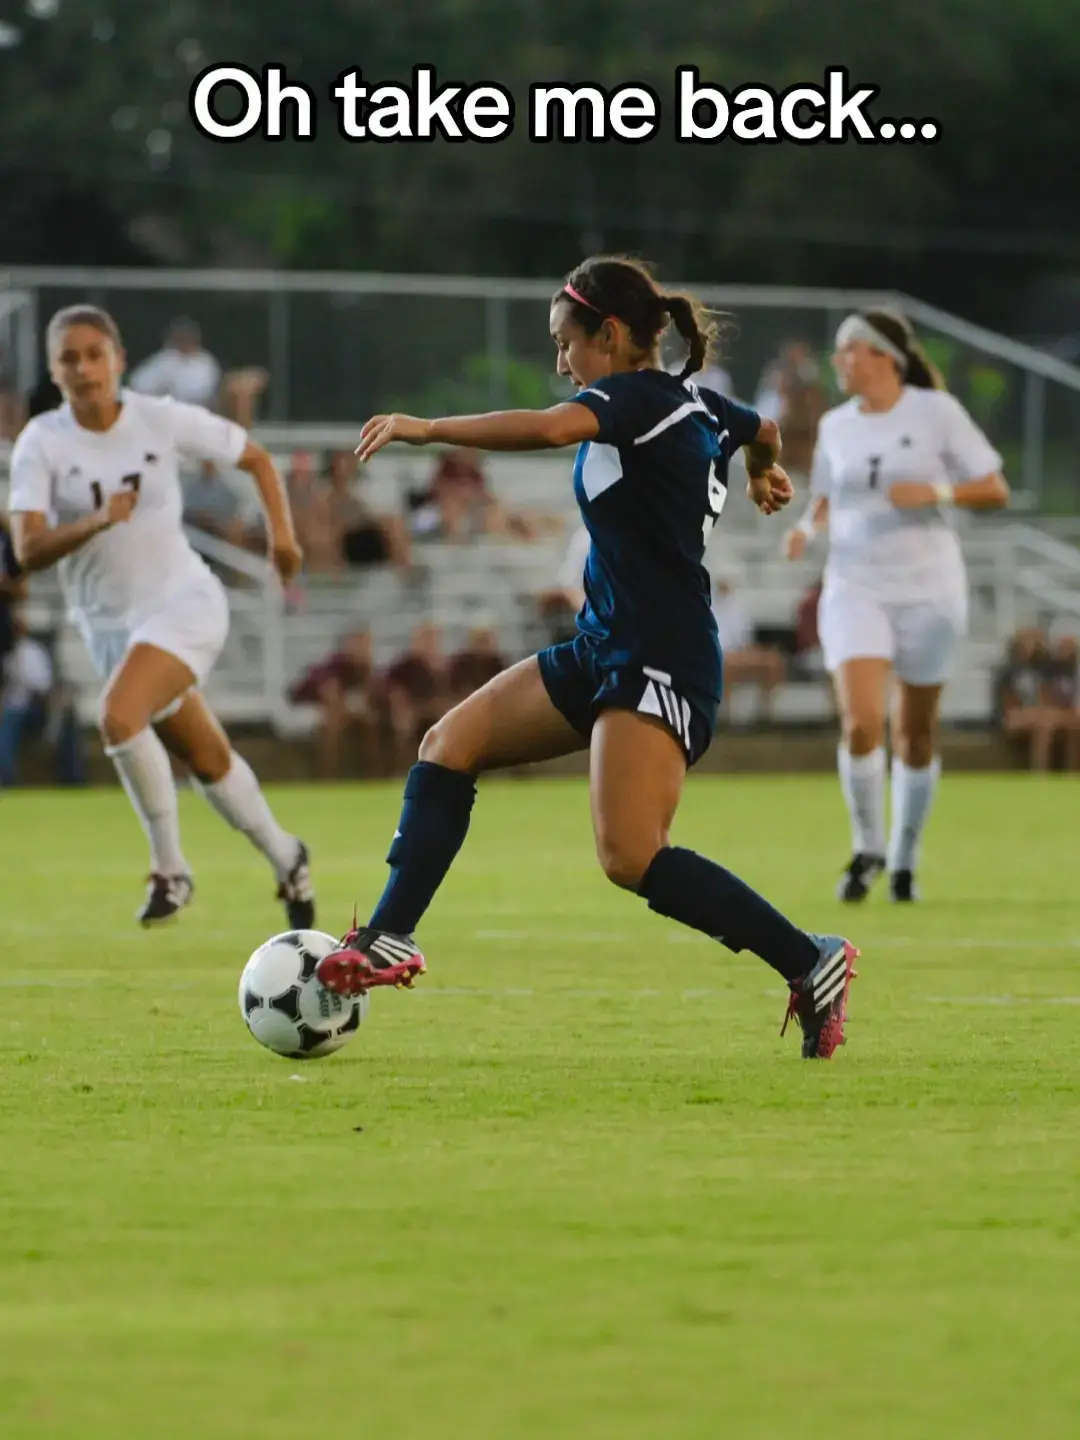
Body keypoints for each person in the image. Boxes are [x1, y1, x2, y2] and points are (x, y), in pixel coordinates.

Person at [314, 256, 858, 1062]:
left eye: (566, 344)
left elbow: (543, 428)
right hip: (606, 643)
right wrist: (761, 467)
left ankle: (810, 960)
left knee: (630, 856)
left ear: (609, 335)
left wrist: (427, 429)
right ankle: (390, 936)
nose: (560, 363)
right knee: (447, 745)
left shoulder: (633, 399)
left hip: (662, 655)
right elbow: (762, 429)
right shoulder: (696, 403)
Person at [7, 304, 317, 927]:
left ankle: (170, 870)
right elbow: (27, 550)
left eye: (96, 353)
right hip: (109, 630)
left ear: (119, 360)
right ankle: (288, 857)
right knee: (208, 761)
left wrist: (282, 539)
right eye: (70, 357)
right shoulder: (41, 443)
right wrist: (96, 520)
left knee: (119, 717)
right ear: (54, 369)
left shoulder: (157, 417)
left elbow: (253, 457)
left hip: (185, 605)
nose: (86, 367)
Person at [783, 309, 1010, 903]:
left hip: (930, 589)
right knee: (861, 722)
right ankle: (868, 849)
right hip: (856, 585)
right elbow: (826, 498)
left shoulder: (936, 412)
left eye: (849, 349)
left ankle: (906, 858)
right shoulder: (836, 424)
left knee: (915, 731)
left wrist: (936, 491)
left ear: (883, 355)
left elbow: (993, 486)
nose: (839, 361)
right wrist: (806, 528)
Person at [288, 630, 377, 780]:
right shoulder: (336, 665)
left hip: (337, 708)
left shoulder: (365, 669)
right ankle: (329, 775)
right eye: (361, 644)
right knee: (332, 725)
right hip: (306, 704)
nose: (365, 649)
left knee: (369, 722)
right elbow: (330, 695)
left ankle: (372, 775)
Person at [711, 576, 786, 723]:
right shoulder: (708, 606)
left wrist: (748, 652)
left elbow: (745, 639)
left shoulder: (737, 606)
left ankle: (765, 715)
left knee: (773, 661)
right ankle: (727, 718)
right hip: (720, 655)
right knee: (725, 665)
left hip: (739, 653)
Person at [128, 318, 222, 409]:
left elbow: (206, 391)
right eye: (181, 336)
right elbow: (138, 383)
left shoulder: (205, 361)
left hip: (197, 411)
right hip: (160, 410)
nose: (185, 340)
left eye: (188, 336)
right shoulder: (164, 358)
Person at [448, 627, 506, 706]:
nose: (484, 645)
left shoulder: (497, 664)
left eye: (487, 641)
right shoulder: (461, 663)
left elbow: (502, 687)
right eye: (481, 640)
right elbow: (454, 689)